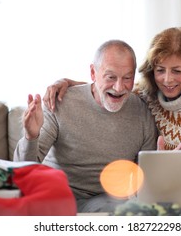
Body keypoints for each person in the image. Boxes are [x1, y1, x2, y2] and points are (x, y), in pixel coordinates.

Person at [43, 27, 181, 211]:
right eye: (160, 70)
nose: (167, 80)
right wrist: (67, 82)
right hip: (176, 191)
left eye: (177, 71)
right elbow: (111, 86)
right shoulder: (147, 96)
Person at [14, 40, 158, 213]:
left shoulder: (142, 112)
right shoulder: (60, 102)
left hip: (107, 201)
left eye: (127, 78)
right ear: (93, 73)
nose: (119, 87)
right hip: (58, 195)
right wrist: (31, 136)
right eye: (111, 77)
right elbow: (23, 170)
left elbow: (146, 179)